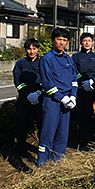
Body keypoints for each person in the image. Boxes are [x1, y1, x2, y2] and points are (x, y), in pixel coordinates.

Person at [38, 28, 77, 167]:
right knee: (47, 134)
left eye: (64, 40)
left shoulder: (68, 58)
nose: (61, 43)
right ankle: (42, 166)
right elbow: (47, 83)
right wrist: (62, 98)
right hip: (53, 102)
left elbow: (74, 79)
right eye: (59, 39)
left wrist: (73, 96)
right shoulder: (46, 59)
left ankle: (57, 165)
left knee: (62, 135)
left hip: (67, 103)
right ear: (53, 40)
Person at [12, 38, 43, 162]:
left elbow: (47, 79)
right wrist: (28, 94)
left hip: (40, 100)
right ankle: (18, 150)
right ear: (26, 50)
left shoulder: (43, 62)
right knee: (21, 126)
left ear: (38, 49)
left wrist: (38, 93)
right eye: (29, 49)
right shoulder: (20, 63)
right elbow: (17, 81)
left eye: (34, 49)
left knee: (42, 126)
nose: (31, 51)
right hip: (24, 101)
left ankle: (42, 151)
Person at [72, 33, 95, 150]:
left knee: (94, 115)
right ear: (81, 43)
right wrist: (83, 81)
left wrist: (92, 81)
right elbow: (74, 70)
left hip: (94, 90)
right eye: (84, 41)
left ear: (93, 43)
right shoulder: (76, 56)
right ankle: (82, 140)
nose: (87, 43)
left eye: (89, 40)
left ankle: (93, 137)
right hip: (81, 90)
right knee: (82, 116)